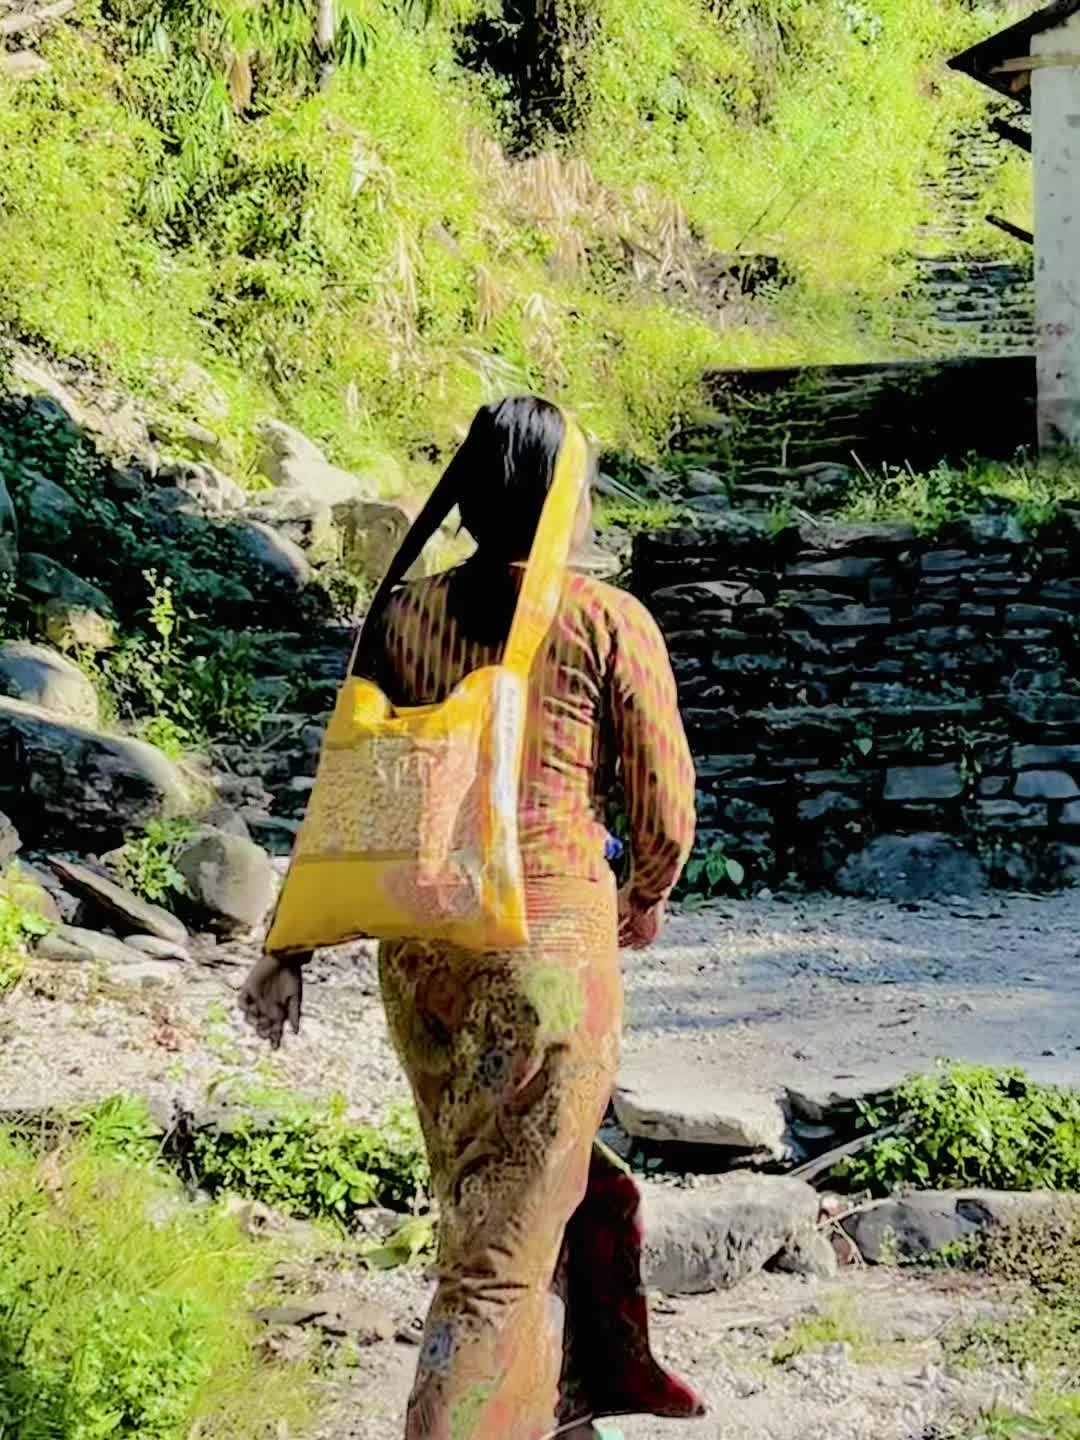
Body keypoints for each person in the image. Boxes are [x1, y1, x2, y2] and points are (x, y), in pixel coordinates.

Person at [241, 396, 703, 1440]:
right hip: (545, 956)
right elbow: (666, 811)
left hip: (423, 963)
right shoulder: (604, 620)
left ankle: (563, 1414)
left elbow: (354, 794)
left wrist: (288, 946)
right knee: (495, 1263)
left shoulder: (402, 616)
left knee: (503, 1204)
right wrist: (643, 899)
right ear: (562, 500)